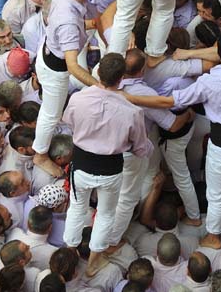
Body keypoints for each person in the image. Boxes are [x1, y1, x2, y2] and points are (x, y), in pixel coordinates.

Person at [126, 28, 221, 249]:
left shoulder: (208, 82)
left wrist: (130, 97)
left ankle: (213, 236)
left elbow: (170, 102)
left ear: (218, 52)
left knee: (217, 195)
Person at [62, 53, 152, 276]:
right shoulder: (132, 111)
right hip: (110, 170)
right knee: (105, 214)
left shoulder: (78, 99)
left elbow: (69, 122)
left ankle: (69, 256)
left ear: (98, 72)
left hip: (82, 165)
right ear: (122, 78)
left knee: (77, 209)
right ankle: (93, 263)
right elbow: (141, 148)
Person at [32, 0, 102, 177]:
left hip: (49, 48)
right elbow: (73, 66)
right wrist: (99, 86)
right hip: (56, 69)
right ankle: (40, 155)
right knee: (50, 115)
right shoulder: (69, 24)